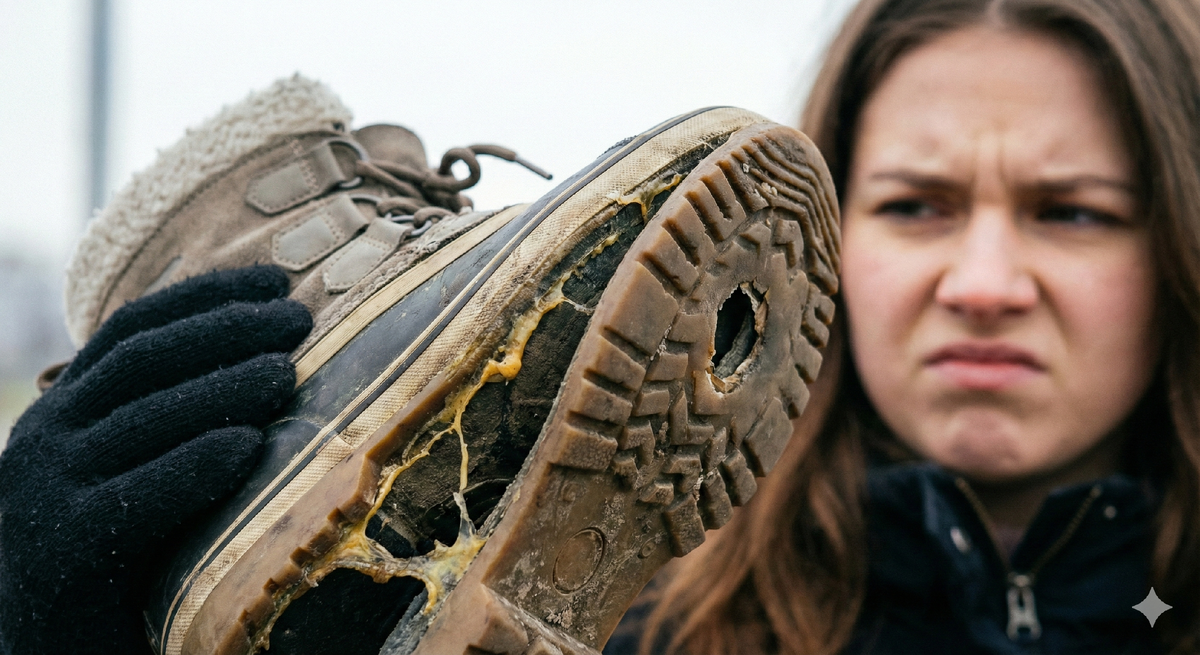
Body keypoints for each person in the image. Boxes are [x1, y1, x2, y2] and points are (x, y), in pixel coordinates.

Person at [613, 0, 1200, 653]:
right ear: (820, 235)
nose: (982, 287)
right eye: (914, 206)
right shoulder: (625, 629)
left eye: (1071, 212)